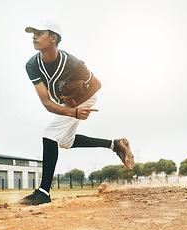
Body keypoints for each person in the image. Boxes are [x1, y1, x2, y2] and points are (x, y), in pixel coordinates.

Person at [19, 19, 134, 205]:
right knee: (65, 141)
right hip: (69, 105)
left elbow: (96, 84)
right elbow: (47, 102)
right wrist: (73, 111)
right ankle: (115, 145)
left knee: (50, 134)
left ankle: (43, 193)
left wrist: (77, 107)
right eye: (33, 33)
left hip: (86, 98)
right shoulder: (32, 65)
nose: (33, 36)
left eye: (39, 33)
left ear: (53, 38)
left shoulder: (72, 63)